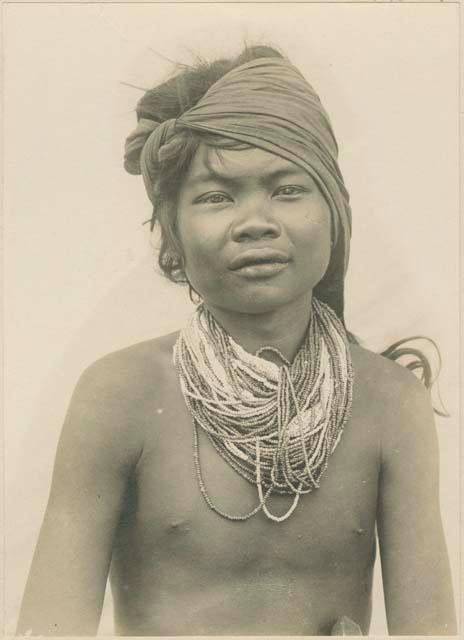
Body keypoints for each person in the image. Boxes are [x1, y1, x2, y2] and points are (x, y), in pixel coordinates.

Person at [17, 45, 456, 636]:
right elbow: (48, 628)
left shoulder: (390, 402)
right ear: (170, 233)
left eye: (288, 189)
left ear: (335, 215)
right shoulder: (118, 394)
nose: (255, 221)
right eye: (216, 196)